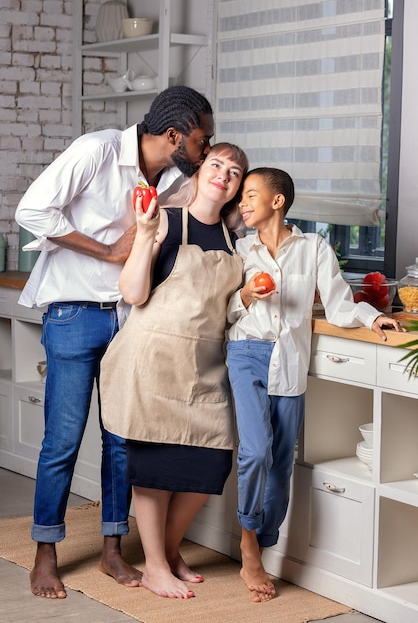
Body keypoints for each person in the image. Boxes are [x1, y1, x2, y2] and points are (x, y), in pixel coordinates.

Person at [14, 85, 215, 600]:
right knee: (62, 440)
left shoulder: (173, 177)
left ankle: (111, 551)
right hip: (74, 312)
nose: (206, 150)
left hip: (131, 318)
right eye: (201, 140)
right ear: (172, 136)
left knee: (122, 440)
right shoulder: (97, 150)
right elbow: (32, 211)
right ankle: (45, 553)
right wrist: (106, 250)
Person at [225, 167, 405, 603]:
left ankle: (265, 538)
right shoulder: (239, 249)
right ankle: (249, 546)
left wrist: (372, 316)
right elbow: (226, 310)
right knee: (255, 450)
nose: (243, 203)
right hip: (247, 352)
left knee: (283, 459)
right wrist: (248, 294)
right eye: (241, 197)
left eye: (251, 195)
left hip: (289, 362)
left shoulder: (314, 248)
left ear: (278, 200)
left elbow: (341, 303)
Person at [99, 142, 249, 599]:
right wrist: (144, 237)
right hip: (154, 359)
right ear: (200, 170)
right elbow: (133, 292)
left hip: (203, 366)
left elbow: (229, 309)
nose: (224, 174)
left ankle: (165, 552)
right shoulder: (164, 219)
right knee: (155, 468)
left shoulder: (234, 242)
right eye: (217, 165)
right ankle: (157, 567)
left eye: (235, 172)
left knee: (210, 462)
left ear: (239, 187)